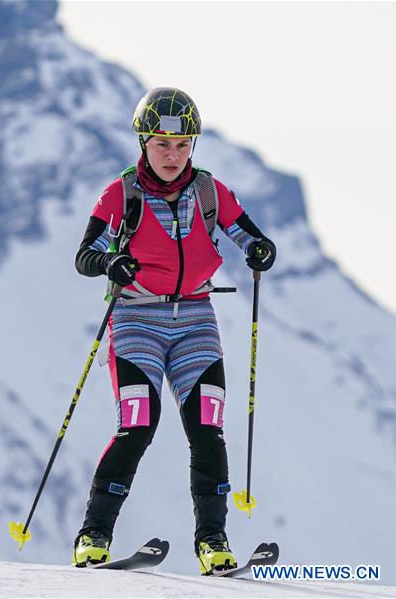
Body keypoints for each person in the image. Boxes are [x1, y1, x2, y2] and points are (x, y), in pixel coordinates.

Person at [72, 87, 276, 574]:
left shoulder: (209, 190)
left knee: (208, 426)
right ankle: (92, 537)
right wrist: (111, 262)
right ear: (143, 142)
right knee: (138, 423)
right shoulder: (121, 193)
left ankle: (213, 542)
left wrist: (260, 249)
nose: (172, 155)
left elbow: (249, 233)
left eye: (183, 145)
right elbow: (85, 256)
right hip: (137, 318)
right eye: (162, 144)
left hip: (195, 321)